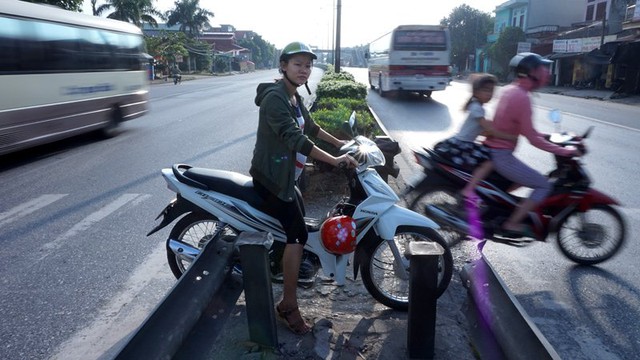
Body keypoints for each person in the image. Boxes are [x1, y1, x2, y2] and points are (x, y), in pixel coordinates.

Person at [249, 41, 357, 335]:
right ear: (283, 66)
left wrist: (341, 143)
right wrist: (335, 160)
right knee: (296, 234)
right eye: (297, 64)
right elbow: (295, 139)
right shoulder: (275, 99)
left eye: (308, 65)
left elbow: (309, 127)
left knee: (301, 225)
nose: (304, 70)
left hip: (288, 177)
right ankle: (288, 304)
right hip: (272, 179)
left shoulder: (294, 97)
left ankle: (281, 263)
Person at [484, 53, 581, 237]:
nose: (546, 73)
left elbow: (523, 128)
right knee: (543, 184)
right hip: (501, 155)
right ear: (532, 72)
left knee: (524, 178)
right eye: (541, 69)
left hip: (493, 150)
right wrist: (564, 151)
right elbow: (532, 138)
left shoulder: (509, 90)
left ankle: (496, 207)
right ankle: (511, 223)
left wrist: (551, 136)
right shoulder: (522, 97)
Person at [432, 73, 516, 198]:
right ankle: (470, 189)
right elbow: (489, 129)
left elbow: (482, 130)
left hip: (462, 142)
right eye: (486, 90)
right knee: (490, 161)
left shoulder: (476, 106)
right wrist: (510, 137)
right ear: (476, 92)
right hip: (463, 145)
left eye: (492, 91)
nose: (489, 94)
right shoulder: (477, 108)